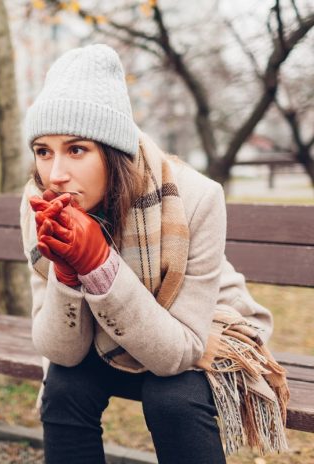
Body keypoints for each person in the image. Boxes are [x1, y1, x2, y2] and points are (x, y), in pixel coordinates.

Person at [19, 44, 289, 464]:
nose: (55, 174)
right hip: (99, 330)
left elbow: (177, 352)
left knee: (173, 398)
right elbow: (62, 350)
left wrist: (99, 267)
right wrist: (69, 275)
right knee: (64, 388)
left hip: (199, 321)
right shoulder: (39, 201)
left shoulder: (197, 198)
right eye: (43, 151)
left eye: (76, 149)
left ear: (113, 151)